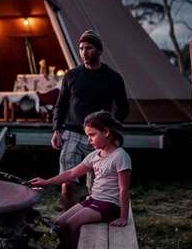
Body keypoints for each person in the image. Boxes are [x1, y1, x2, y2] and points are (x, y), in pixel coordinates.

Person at [30, 111, 132, 249]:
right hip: (94, 200)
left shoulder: (120, 156)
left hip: (109, 206)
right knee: (59, 224)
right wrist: (46, 182)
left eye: (92, 135)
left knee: (72, 224)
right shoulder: (95, 155)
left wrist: (123, 217)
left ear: (106, 132)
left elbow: (124, 189)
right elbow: (72, 173)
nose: (89, 140)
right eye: (87, 135)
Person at [51, 29, 129, 209]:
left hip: (98, 137)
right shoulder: (72, 75)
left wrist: (109, 129)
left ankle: (92, 220)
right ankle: (67, 221)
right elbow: (60, 105)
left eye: (89, 48)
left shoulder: (112, 77)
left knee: (95, 186)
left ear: (99, 50)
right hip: (72, 133)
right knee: (68, 181)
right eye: (81, 48)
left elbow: (123, 107)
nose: (84, 52)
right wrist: (56, 130)